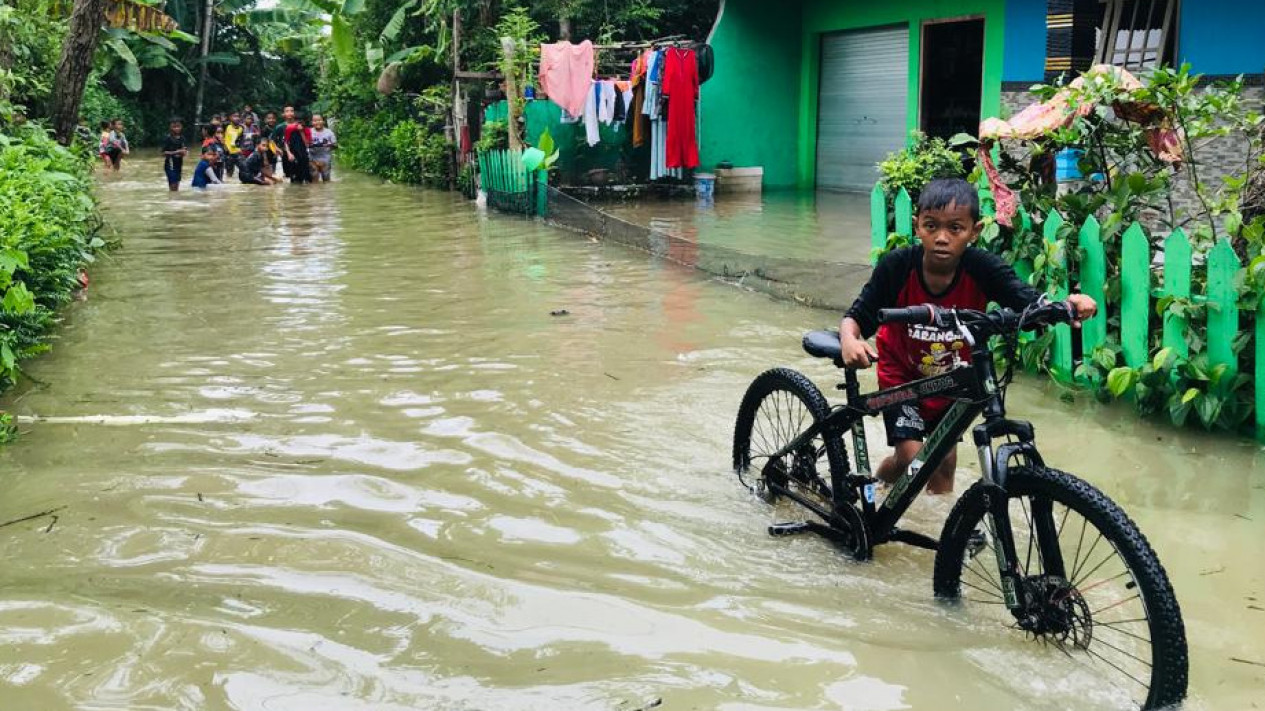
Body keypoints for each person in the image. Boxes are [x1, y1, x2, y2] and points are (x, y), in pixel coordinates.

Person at [838, 178, 1097, 494]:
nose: (942, 238)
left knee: (944, 463)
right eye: (931, 226)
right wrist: (850, 340)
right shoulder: (897, 266)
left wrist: (1063, 307)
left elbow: (1024, 297)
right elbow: (858, 315)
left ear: (974, 231)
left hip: (951, 379)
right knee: (912, 458)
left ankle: (941, 531)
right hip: (902, 378)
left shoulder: (982, 267)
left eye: (955, 229)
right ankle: (881, 488)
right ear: (917, 225)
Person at [283, 109, 312, 184]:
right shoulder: (289, 128)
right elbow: (286, 142)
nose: (300, 123)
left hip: (303, 155)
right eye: (298, 121)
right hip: (293, 154)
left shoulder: (307, 130)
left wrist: (301, 131)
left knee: (307, 179)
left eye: (302, 121)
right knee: (295, 179)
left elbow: (307, 144)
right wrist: (289, 153)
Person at [160, 118, 188, 191]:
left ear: (181, 127)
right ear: (170, 127)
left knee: (176, 187)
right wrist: (176, 152)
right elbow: (163, 153)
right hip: (170, 165)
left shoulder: (182, 138)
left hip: (179, 164)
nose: (176, 128)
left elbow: (184, 150)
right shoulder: (168, 138)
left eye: (178, 126)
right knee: (173, 187)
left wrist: (184, 153)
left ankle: (174, 201)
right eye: (174, 127)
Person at [308, 113, 337, 182]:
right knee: (314, 176)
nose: (317, 122)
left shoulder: (329, 132)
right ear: (312, 122)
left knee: (326, 178)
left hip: (325, 157)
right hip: (312, 157)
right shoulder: (308, 132)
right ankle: (315, 192)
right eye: (315, 121)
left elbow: (335, 145)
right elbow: (304, 143)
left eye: (319, 120)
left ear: (323, 121)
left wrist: (330, 145)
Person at [224, 112, 244, 178]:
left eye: (238, 116)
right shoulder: (226, 125)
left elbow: (241, 140)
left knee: (244, 169)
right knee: (229, 174)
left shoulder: (241, 128)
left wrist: (241, 148)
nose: (237, 118)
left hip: (238, 153)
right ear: (230, 118)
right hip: (228, 154)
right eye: (234, 116)